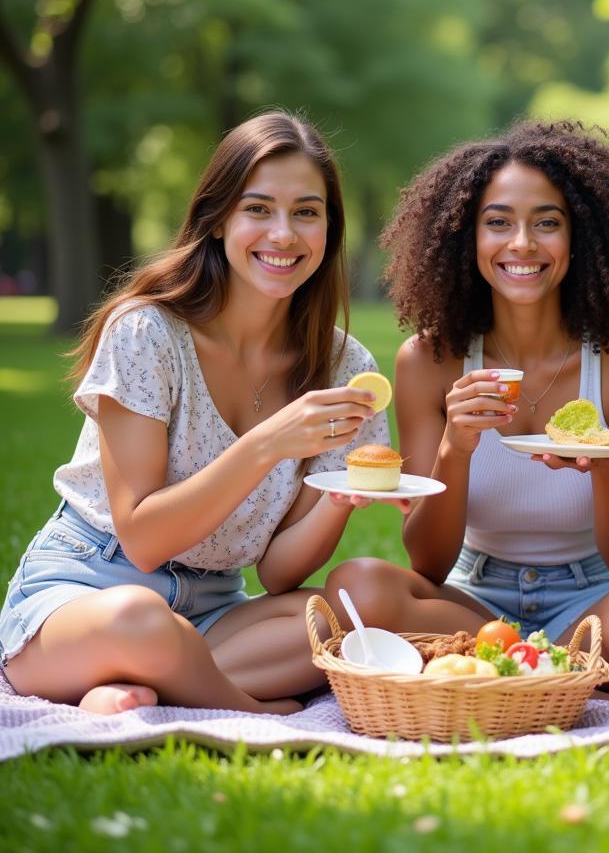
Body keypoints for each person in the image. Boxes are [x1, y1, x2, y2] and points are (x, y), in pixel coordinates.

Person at [0, 111, 406, 716]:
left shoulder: (345, 367)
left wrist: (337, 497)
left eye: (306, 212)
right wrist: (268, 443)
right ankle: (246, 708)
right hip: (91, 589)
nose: (284, 234)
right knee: (140, 619)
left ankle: (146, 689)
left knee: (351, 614)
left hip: (216, 607)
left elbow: (277, 574)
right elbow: (141, 538)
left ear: (329, 228)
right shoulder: (146, 333)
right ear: (218, 221)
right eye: (258, 209)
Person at [333, 121, 609, 659]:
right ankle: (557, 666)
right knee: (358, 586)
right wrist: (455, 447)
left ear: (580, 235)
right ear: (465, 238)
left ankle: (519, 662)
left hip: (594, 598)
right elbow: (428, 563)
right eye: (497, 222)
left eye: (547, 223)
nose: (522, 244)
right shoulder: (427, 362)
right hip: (471, 598)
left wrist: (608, 469)